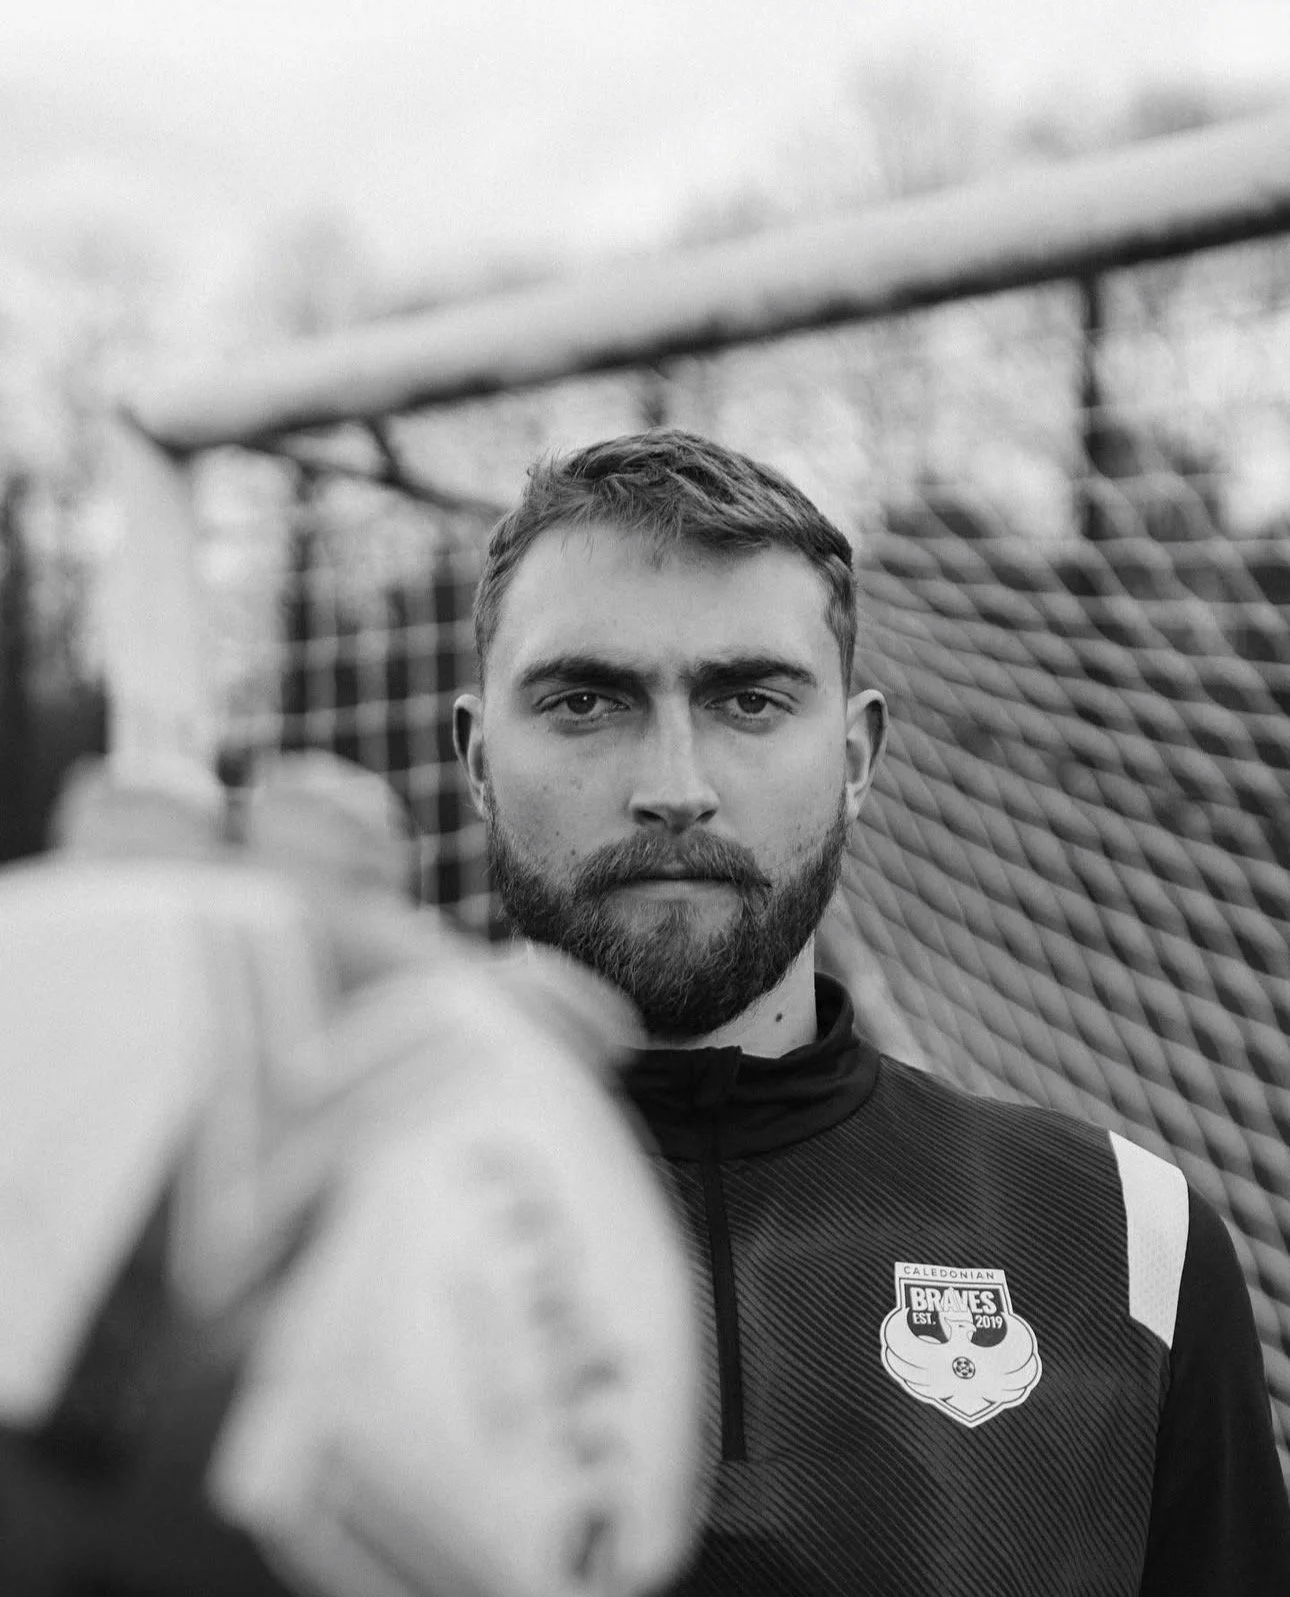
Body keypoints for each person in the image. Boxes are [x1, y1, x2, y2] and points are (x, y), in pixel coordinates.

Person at [453, 427, 1290, 1596]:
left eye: (748, 699)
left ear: (855, 757)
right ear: (480, 758)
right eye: (588, 701)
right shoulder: (296, 1230)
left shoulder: (1130, 1240)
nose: (675, 788)